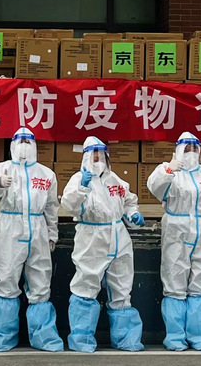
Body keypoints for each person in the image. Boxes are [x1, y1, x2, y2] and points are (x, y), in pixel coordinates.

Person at [61, 136, 145, 353]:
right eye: (94, 155)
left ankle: (126, 339)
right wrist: (82, 187)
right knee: (86, 285)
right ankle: (82, 339)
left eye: (101, 155)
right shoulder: (78, 179)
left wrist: (133, 214)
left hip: (119, 236)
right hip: (92, 237)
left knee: (122, 286)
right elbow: (69, 205)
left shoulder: (115, 180)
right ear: (86, 157)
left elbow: (129, 201)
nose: (98, 158)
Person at [146, 132, 201, 351]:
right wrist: (168, 170)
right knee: (174, 282)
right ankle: (175, 338)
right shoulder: (169, 171)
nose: (191, 152)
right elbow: (154, 187)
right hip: (176, 231)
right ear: (178, 150)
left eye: (194, 148)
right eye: (186, 148)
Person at [0, 127, 63, 352]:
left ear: (35, 145)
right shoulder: (1, 168)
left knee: (40, 281)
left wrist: (52, 233)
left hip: (38, 227)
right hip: (10, 226)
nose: (24, 145)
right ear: (12, 144)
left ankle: (44, 338)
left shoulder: (46, 174)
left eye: (28, 141)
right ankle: (3, 338)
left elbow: (51, 207)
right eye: (20, 141)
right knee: (6, 279)